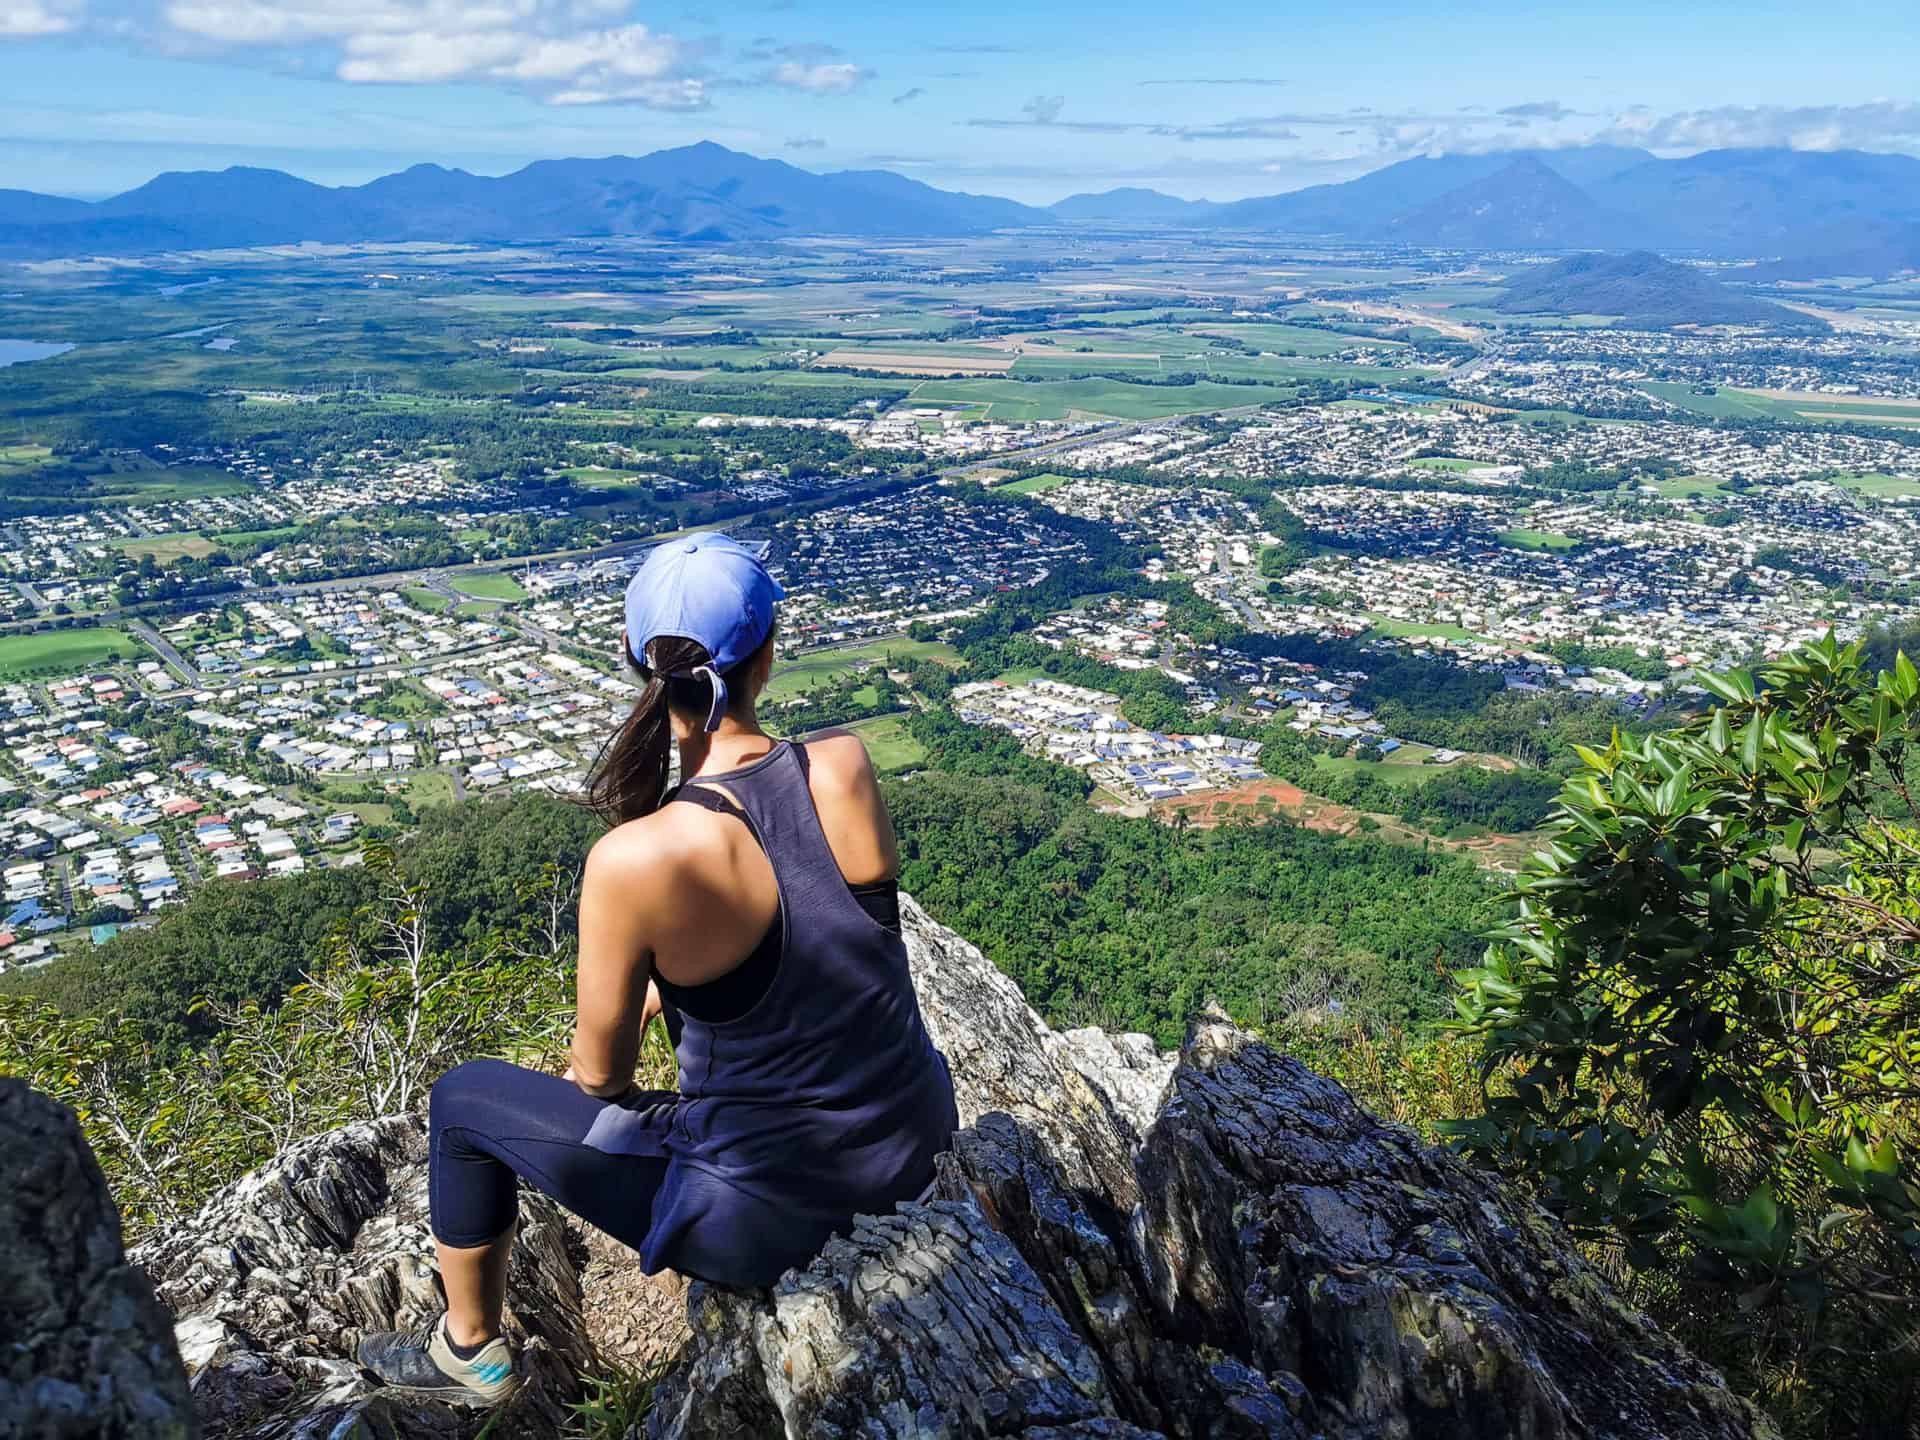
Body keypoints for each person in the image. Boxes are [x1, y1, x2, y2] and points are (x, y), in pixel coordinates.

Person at [357, 533, 959, 1407]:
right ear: (770, 651)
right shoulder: (844, 764)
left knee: (459, 1103)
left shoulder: (635, 859)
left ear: (642, 668)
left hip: (769, 1217)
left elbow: (599, 1079)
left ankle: (469, 1351)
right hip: (915, 1142)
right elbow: (819, 928)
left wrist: (656, 999)